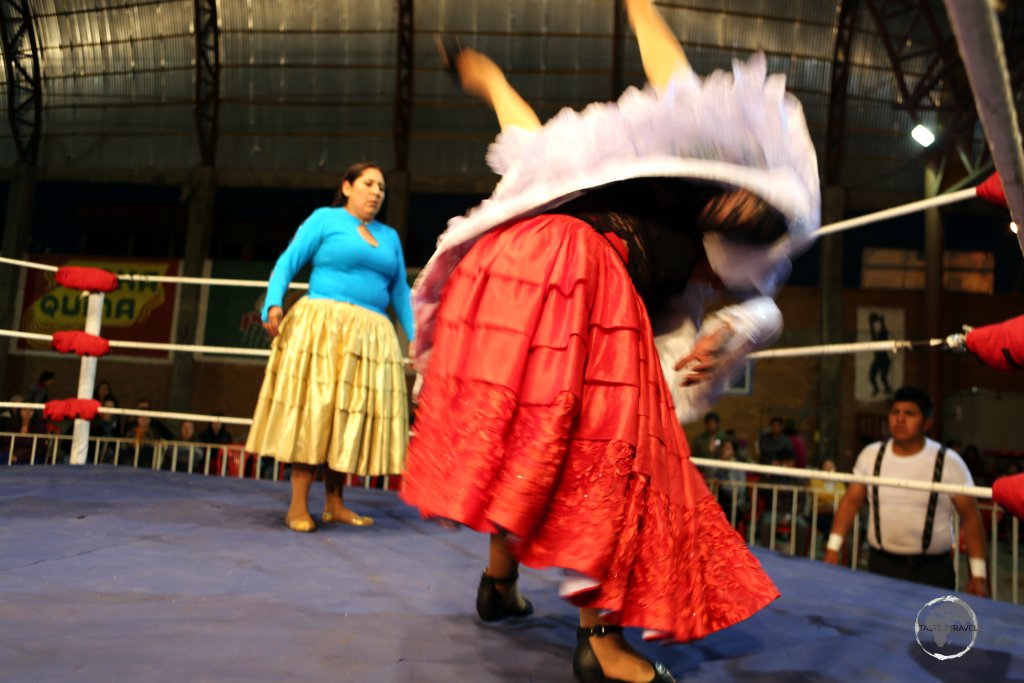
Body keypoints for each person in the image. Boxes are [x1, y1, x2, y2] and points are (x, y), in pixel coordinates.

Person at [402, 1, 820, 680]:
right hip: (570, 269)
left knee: (538, 435)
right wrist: (641, 8)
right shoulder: (681, 186)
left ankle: (499, 583)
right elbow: (678, 85)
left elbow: (523, 132)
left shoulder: (631, 209)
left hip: (501, 277)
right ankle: (602, 643)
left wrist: (492, 83)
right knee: (625, 457)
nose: (738, 210)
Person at [246, 161, 413, 533]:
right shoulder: (325, 219)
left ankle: (335, 504)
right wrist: (274, 301)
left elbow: (400, 291)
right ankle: (297, 506)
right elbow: (288, 261)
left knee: (348, 416)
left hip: (370, 336)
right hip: (323, 328)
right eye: (369, 183)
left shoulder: (390, 237)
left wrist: (416, 336)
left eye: (382, 188)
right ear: (348, 186)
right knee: (315, 411)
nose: (376, 192)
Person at [824, 386, 988, 597]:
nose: (900, 419)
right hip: (881, 565)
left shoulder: (948, 461)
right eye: (895, 413)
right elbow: (850, 503)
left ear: (927, 423)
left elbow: (971, 518)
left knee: (929, 629)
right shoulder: (871, 455)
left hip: (932, 571)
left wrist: (978, 574)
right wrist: (832, 547)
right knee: (879, 627)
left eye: (909, 413)